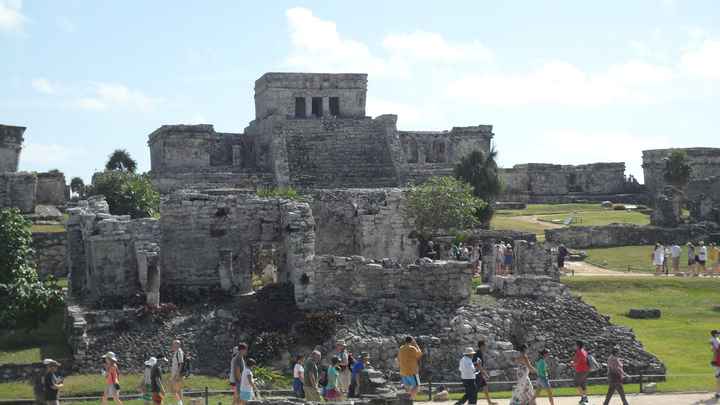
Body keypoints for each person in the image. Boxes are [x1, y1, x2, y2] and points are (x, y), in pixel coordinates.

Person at [472, 341, 497, 405]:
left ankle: (489, 402)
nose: (485, 347)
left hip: (479, 374)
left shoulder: (479, 353)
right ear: (482, 346)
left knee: (485, 387)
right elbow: (478, 365)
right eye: (485, 345)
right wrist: (485, 374)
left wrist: (483, 373)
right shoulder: (478, 354)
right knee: (474, 390)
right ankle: (470, 402)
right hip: (477, 374)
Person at [170, 340, 184, 405]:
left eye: (174, 344)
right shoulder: (176, 352)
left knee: (175, 390)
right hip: (175, 374)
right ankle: (180, 403)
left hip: (177, 374)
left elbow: (181, 364)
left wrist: (177, 374)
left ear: (177, 345)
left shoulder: (179, 352)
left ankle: (180, 403)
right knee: (177, 390)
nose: (172, 345)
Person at [711, 330, 720, 399]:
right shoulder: (713, 340)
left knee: (718, 378)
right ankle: (717, 393)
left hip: (717, 362)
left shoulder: (716, 340)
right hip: (717, 363)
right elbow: (714, 350)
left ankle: (717, 393)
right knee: (718, 378)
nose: (718, 334)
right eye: (717, 333)